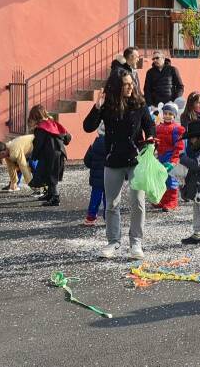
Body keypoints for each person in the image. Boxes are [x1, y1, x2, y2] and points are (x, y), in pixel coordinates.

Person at [83, 71, 155, 260]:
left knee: (138, 203)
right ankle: (113, 242)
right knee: (112, 205)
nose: (130, 86)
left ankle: (136, 243)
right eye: (125, 84)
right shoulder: (107, 105)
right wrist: (96, 107)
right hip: (113, 159)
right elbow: (88, 126)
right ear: (116, 86)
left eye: (131, 83)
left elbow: (150, 125)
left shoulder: (139, 103)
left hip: (135, 159)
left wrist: (151, 138)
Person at [29, 105, 71, 207]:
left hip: (49, 154)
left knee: (51, 176)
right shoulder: (53, 123)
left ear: (35, 117)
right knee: (50, 174)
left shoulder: (41, 128)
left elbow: (39, 143)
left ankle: (55, 198)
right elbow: (67, 137)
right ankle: (50, 194)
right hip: (59, 153)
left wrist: (34, 155)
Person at [154, 102, 185, 212]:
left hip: (171, 159)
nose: (167, 116)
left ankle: (172, 201)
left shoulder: (177, 129)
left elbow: (179, 147)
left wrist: (174, 161)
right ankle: (164, 200)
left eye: (170, 114)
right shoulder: (158, 127)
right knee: (162, 179)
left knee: (172, 180)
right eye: (165, 113)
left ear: (174, 116)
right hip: (160, 157)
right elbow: (155, 143)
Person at [82, 127, 107, 227]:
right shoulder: (112, 145)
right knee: (108, 198)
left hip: (96, 177)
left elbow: (87, 161)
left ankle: (91, 218)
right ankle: (108, 218)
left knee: (95, 197)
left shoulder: (94, 145)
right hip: (109, 176)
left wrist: (94, 165)